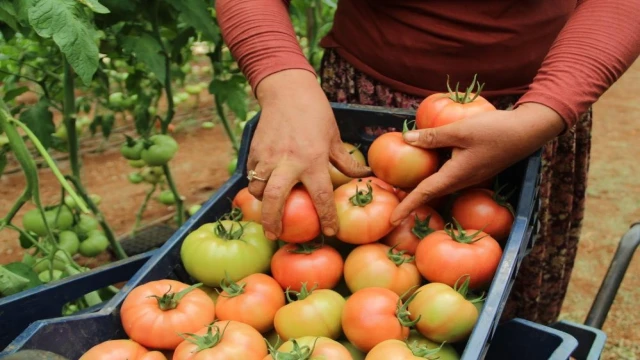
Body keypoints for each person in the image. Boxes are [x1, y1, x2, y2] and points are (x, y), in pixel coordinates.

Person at [216, 0, 640, 325]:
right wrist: (282, 80)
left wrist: (545, 112)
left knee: (510, 291)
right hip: (358, 104)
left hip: (530, 114)